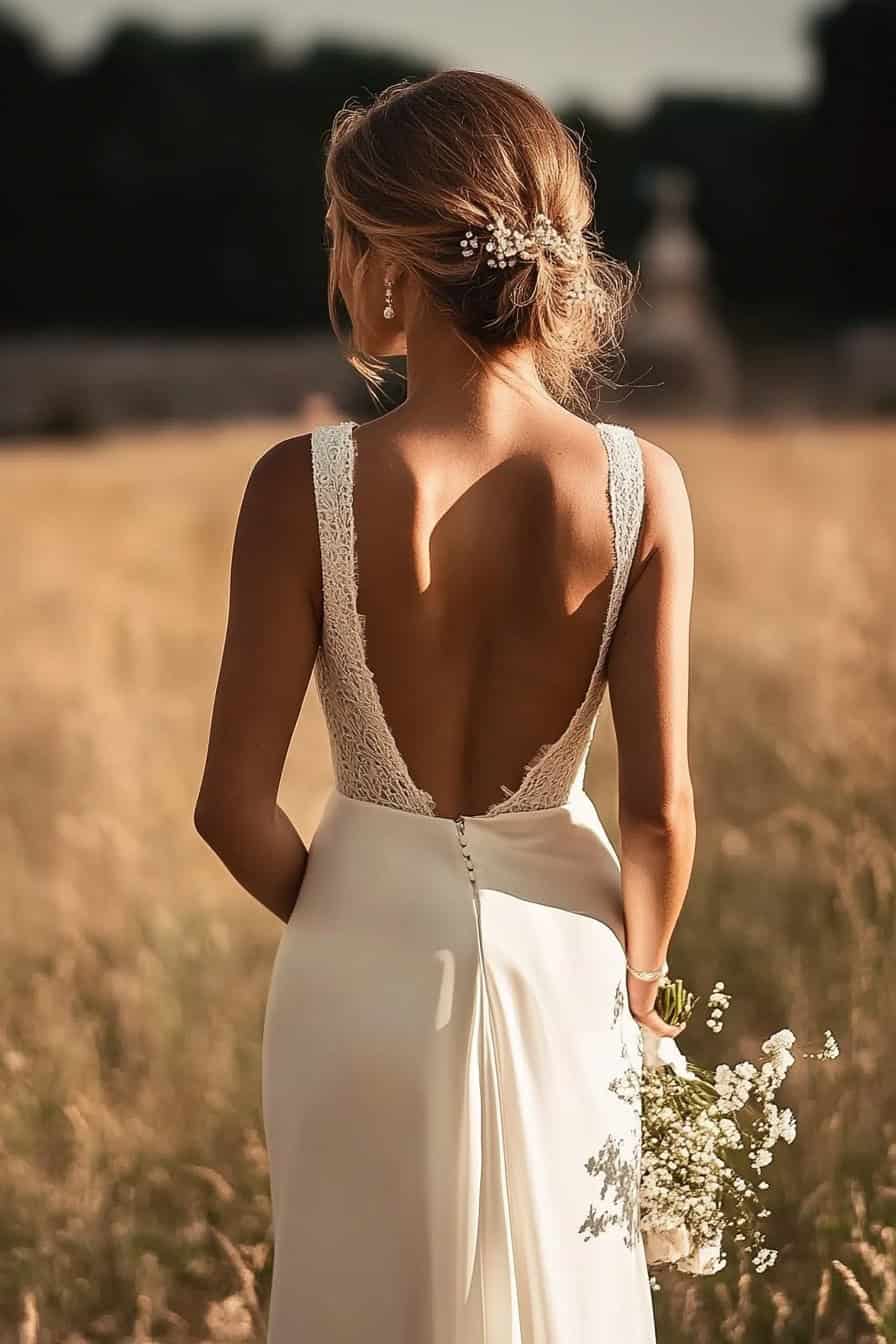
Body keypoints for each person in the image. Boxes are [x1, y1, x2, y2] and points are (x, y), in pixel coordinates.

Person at [194, 68, 695, 1344]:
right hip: (567, 964)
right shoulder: (642, 486)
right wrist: (636, 992)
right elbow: (658, 818)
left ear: (388, 263)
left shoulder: (299, 482)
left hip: (358, 960)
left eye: (342, 235)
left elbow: (229, 807)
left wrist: (362, 903)